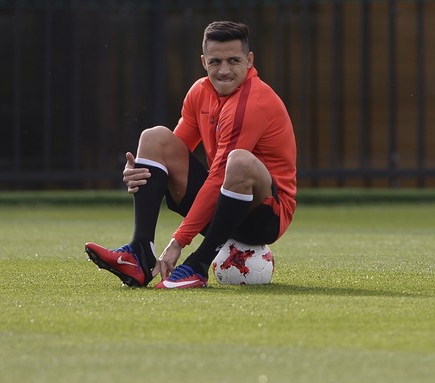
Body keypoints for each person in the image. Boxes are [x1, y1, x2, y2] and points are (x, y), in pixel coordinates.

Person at [85, 21, 297, 289]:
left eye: (234, 60)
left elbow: (220, 175)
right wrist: (141, 171)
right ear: (203, 61)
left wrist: (178, 242)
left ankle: (198, 266)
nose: (224, 70)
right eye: (215, 62)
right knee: (154, 138)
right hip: (224, 203)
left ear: (249, 60)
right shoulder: (199, 92)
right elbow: (170, 154)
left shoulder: (253, 101)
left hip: (265, 218)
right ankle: (139, 254)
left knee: (238, 161)